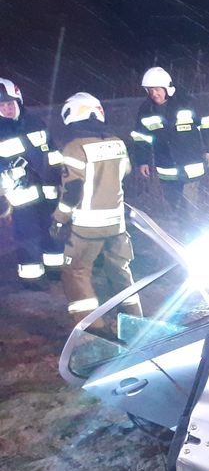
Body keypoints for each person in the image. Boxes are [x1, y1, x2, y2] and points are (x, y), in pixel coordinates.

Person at [52, 92, 142, 333]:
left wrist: (59, 219)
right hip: (117, 224)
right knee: (120, 272)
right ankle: (134, 323)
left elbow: (71, 190)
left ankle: (93, 332)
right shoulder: (117, 142)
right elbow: (125, 173)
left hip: (87, 227)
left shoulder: (74, 148)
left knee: (76, 273)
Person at [129, 66, 209, 228]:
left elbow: (207, 124)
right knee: (175, 205)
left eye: (157, 89)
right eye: (150, 90)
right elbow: (140, 137)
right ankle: (181, 231)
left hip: (190, 164)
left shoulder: (187, 103)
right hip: (166, 166)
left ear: (167, 88)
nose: (154, 93)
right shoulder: (146, 110)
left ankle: (191, 235)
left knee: (190, 206)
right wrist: (142, 161)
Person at [0, 78, 64, 288]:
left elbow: (53, 153)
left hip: (47, 190)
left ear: (18, 101)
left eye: (10, 104)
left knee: (51, 230)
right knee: (27, 235)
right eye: (1, 106)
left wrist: (57, 177)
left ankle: (55, 269)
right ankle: (31, 278)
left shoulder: (36, 123)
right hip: (21, 195)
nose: (7, 109)